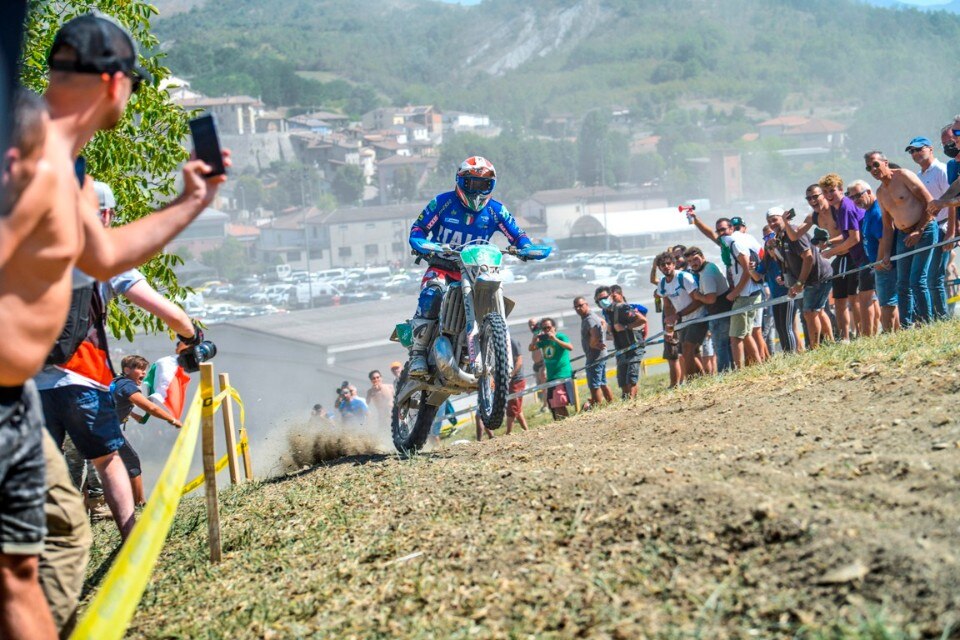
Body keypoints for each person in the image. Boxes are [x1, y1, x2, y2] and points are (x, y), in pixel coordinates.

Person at [405, 156, 542, 378]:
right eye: (472, 183)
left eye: (483, 184)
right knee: (431, 293)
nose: (477, 190)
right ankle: (418, 354)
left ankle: (493, 347)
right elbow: (418, 228)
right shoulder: (442, 203)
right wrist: (422, 242)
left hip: (477, 269)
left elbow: (518, 234)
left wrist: (526, 247)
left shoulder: (497, 210)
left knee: (494, 292)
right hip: (443, 266)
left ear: (491, 185)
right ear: (460, 181)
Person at [869, 151, 938, 326]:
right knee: (902, 283)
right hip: (903, 234)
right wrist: (885, 254)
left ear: (885, 162)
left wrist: (919, 231)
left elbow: (929, 202)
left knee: (917, 279)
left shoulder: (904, 176)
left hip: (925, 229)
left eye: (876, 164)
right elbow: (887, 226)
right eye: (869, 168)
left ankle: (927, 323)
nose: (873, 169)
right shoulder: (880, 192)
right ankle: (907, 325)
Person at [109, 355, 182, 506]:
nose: (143, 373)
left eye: (144, 369)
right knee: (131, 461)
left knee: (99, 469)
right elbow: (150, 407)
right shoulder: (127, 385)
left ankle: (97, 505)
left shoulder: (117, 382)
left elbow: (114, 403)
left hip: (98, 428)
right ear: (127, 370)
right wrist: (172, 419)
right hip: (106, 431)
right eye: (139, 369)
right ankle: (140, 503)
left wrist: (134, 415)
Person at [766, 207, 834, 349]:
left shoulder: (794, 233)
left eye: (775, 220)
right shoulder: (781, 237)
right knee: (818, 311)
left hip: (818, 276)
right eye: (769, 221)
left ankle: (816, 347)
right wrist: (786, 278)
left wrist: (799, 283)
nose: (772, 224)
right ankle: (831, 343)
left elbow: (808, 257)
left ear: (784, 218)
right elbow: (789, 260)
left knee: (810, 312)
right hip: (814, 277)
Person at [819, 173, 872, 339]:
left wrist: (830, 252)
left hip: (864, 254)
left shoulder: (845, 207)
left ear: (841, 190)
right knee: (862, 298)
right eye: (825, 192)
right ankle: (861, 336)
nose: (829, 195)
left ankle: (865, 337)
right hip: (860, 255)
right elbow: (848, 234)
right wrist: (830, 242)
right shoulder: (840, 207)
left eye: (832, 191)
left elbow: (854, 239)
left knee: (863, 298)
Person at [906, 136, 953, 321]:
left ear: (930, 149)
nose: (916, 153)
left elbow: (951, 202)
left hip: (943, 227)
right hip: (929, 229)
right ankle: (933, 317)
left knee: (935, 278)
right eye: (912, 151)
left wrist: (950, 232)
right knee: (926, 278)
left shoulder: (941, 170)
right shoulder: (918, 176)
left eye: (919, 149)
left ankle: (941, 318)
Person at [850, 180, 899, 332]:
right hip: (877, 263)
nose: (856, 200)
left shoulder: (876, 212)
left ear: (869, 192)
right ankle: (895, 332)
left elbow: (884, 238)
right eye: (852, 197)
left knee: (887, 303)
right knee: (885, 301)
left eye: (858, 195)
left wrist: (879, 261)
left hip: (883, 264)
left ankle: (893, 334)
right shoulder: (868, 212)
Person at [657, 252, 705, 385]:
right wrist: (669, 329)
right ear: (659, 268)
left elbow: (698, 301)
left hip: (698, 317)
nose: (666, 267)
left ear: (673, 265)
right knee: (688, 352)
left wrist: (678, 315)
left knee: (687, 348)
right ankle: (704, 380)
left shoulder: (684, 277)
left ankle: (690, 382)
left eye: (668, 264)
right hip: (683, 320)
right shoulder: (662, 283)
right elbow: (667, 306)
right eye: (662, 265)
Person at [683, 246, 732, 372]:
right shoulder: (709, 267)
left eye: (695, 259)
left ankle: (724, 374)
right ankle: (730, 371)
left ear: (702, 257)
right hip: (723, 311)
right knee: (726, 345)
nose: (693, 264)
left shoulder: (706, 275)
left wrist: (698, 296)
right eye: (689, 261)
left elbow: (711, 299)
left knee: (720, 346)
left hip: (719, 313)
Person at [722, 222, 764, 368]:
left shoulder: (735, 244)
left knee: (735, 336)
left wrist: (734, 293)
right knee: (746, 334)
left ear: (732, 229)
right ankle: (759, 364)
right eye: (719, 230)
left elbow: (747, 271)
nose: (721, 232)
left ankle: (740, 370)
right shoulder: (732, 243)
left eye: (724, 229)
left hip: (745, 294)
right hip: (750, 292)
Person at [597, 285, 647, 398]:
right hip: (621, 349)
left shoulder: (622, 308)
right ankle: (626, 403)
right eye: (600, 299)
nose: (603, 301)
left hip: (634, 347)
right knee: (622, 381)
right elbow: (613, 332)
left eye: (605, 297)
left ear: (611, 296)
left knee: (631, 379)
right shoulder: (607, 313)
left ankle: (631, 402)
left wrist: (625, 327)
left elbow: (642, 320)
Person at [755, 223, 798, 353]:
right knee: (779, 327)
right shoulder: (767, 258)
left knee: (786, 327)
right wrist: (751, 269)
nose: (769, 239)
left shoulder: (785, 251)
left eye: (771, 235)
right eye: (765, 237)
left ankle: (792, 355)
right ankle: (787, 354)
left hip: (788, 294)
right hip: (776, 297)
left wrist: (785, 279)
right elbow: (757, 276)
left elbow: (794, 269)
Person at [530, 318, 573, 420]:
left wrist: (555, 339)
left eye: (548, 327)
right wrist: (534, 339)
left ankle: (567, 423)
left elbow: (570, 347)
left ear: (554, 327)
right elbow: (531, 348)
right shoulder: (544, 341)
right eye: (544, 328)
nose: (547, 330)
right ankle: (561, 425)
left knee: (559, 403)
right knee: (553, 406)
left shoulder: (561, 336)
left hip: (562, 375)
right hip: (551, 377)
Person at [573, 297, 613, 406]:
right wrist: (601, 336)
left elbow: (594, 332)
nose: (578, 308)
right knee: (602, 383)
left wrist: (593, 343)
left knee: (594, 386)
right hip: (600, 355)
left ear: (586, 304)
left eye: (581, 305)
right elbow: (603, 322)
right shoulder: (591, 316)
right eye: (576, 307)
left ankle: (597, 407)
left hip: (595, 357)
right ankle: (611, 404)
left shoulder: (589, 319)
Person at [504, 337, 528, 435]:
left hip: (516, 379)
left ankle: (508, 432)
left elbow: (519, 360)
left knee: (512, 407)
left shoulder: (512, 342)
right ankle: (526, 430)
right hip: (510, 380)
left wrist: (511, 374)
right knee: (517, 407)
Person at [527, 318, 548, 413]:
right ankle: (544, 404)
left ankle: (546, 405)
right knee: (540, 386)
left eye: (533, 324)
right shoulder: (535, 334)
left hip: (543, 362)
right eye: (530, 325)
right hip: (537, 364)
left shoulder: (541, 333)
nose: (532, 326)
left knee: (545, 385)